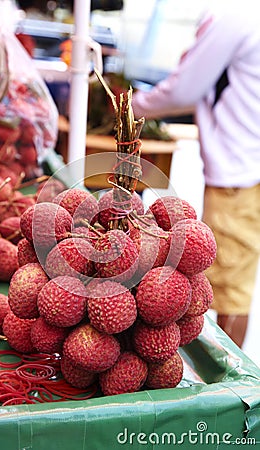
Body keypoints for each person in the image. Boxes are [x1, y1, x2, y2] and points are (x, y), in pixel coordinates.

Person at [131, 0, 260, 348]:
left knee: (231, 288)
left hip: (241, 173)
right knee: (232, 279)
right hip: (246, 166)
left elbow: (185, 89)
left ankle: (232, 388)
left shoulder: (236, 15)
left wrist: (131, 104)